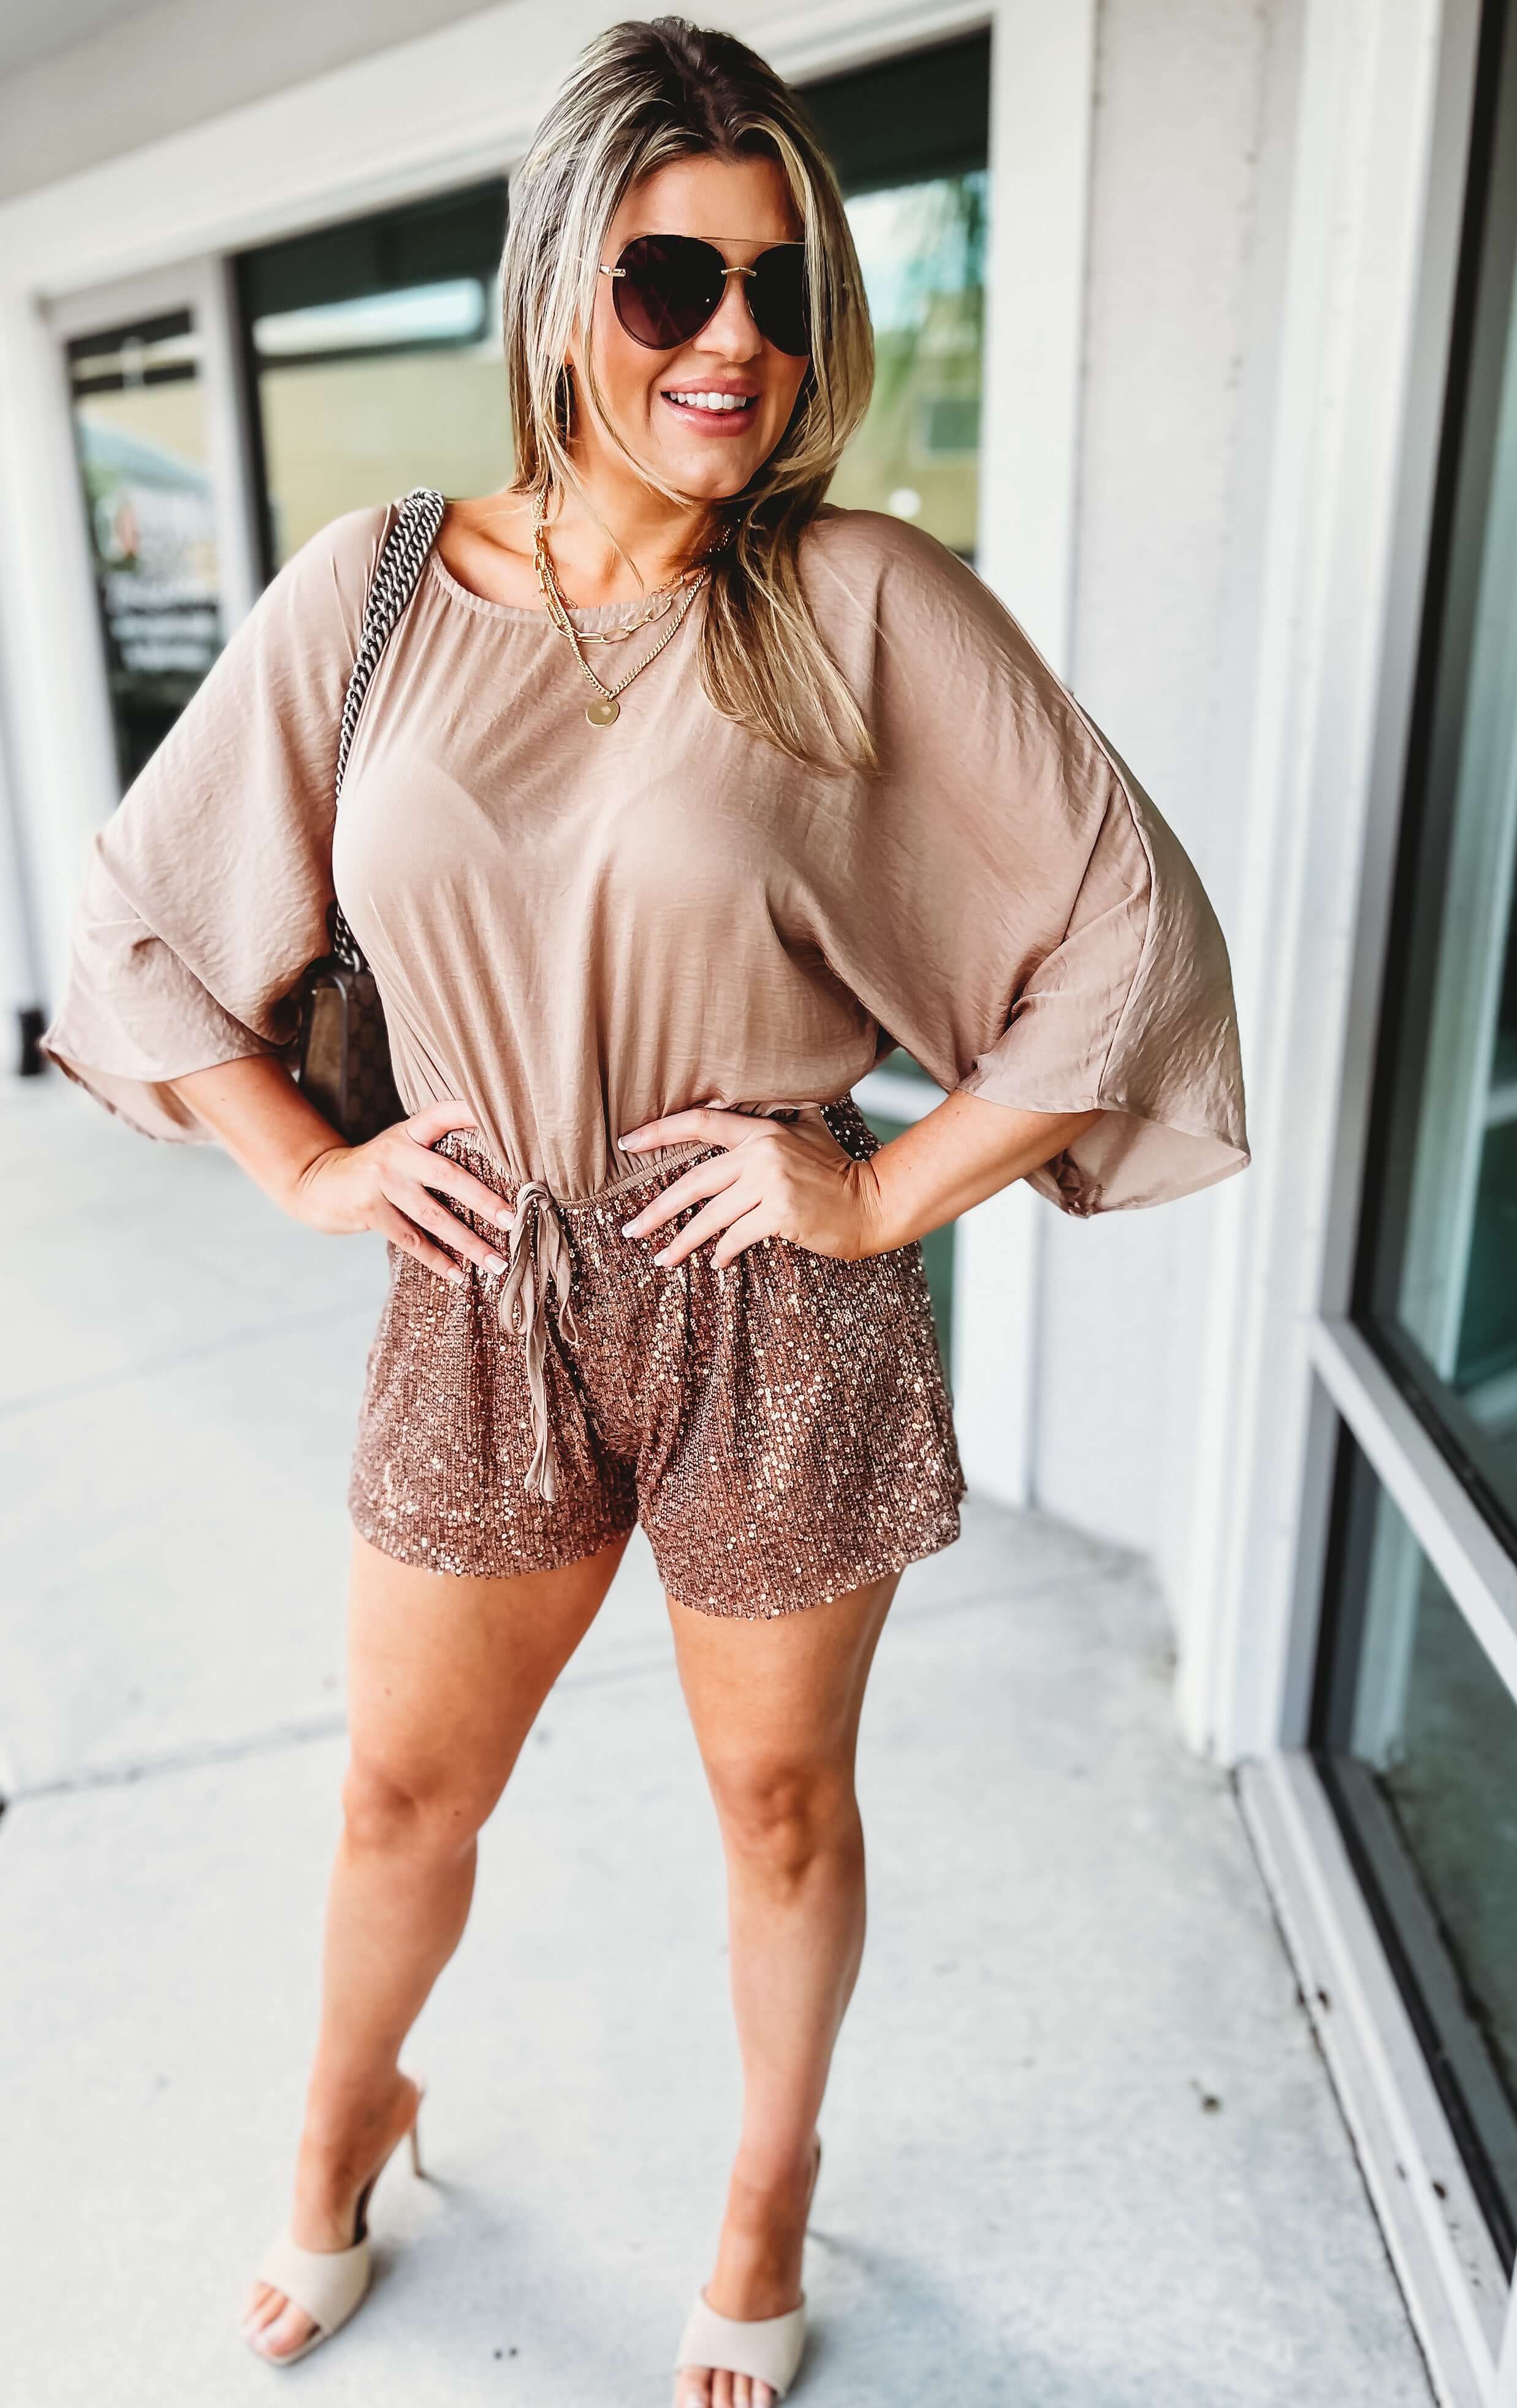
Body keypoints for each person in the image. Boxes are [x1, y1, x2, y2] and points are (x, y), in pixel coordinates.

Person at [39, 16, 1249, 2404]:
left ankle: (766, 2186)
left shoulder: (852, 597)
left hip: (769, 1310)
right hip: (482, 1283)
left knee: (778, 1804)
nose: (734, 342)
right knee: (402, 1789)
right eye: (672, 278)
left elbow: (1131, 934)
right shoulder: (380, 588)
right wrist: (309, 1160)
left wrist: (880, 1183)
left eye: (779, 289)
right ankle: (339, 2124)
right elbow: (137, 918)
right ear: (555, 283)